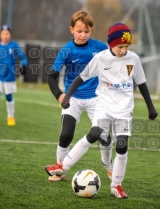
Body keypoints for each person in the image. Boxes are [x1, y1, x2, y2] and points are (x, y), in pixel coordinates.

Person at [48, 23, 158, 198]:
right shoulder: (100, 58)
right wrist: (67, 96)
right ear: (110, 44)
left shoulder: (134, 59)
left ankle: (116, 185)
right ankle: (63, 167)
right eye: (120, 46)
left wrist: (150, 107)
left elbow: (142, 83)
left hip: (124, 110)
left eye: (126, 47)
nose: (123, 50)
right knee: (95, 133)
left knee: (121, 146)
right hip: (104, 106)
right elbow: (80, 78)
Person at [45, 10, 113, 182]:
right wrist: (59, 95)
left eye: (86, 31)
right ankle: (60, 170)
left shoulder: (100, 48)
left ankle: (108, 164)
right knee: (66, 135)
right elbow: (51, 76)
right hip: (73, 97)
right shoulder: (67, 50)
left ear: (91, 30)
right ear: (71, 30)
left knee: (104, 135)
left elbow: (115, 64)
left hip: (96, 98)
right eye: (79, 31)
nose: (83, 35)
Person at [0, 25, 27, 126]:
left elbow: (23, 57)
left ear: (10, 35)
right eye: (3, 34)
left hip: (10, 76)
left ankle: (10, 116)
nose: (5, 36)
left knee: (9, 97)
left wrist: (24, 66)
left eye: (7, 34)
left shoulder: (14, 46)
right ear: (0, 35)